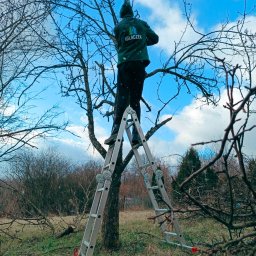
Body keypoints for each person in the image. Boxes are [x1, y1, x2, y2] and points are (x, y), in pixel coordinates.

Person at [104, 1, 159, 146]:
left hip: (125, 64)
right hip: (139, 64)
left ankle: (116, 131)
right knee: (135, 99)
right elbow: (155, 38)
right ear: (132, 13)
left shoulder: (118, 27)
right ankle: (136, 135)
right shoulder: (142, 24)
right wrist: (141, 42)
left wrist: (130, 43)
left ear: (122, 15)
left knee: (121, 97)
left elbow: (120, 44)